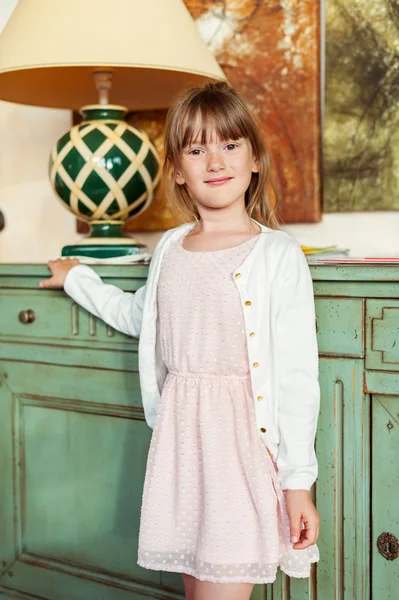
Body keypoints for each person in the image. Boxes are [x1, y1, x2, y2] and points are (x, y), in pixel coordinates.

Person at [40, 81, 320, 600]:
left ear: (255, 158)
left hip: (241, 453)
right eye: (196, 149)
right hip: (181, 449)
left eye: (230, 145)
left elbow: (300, 377)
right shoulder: (170, 247)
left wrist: (298, 484)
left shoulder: (278, 254)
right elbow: (138, 315)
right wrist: (77, 278)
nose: (215, 160)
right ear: (177, 169)